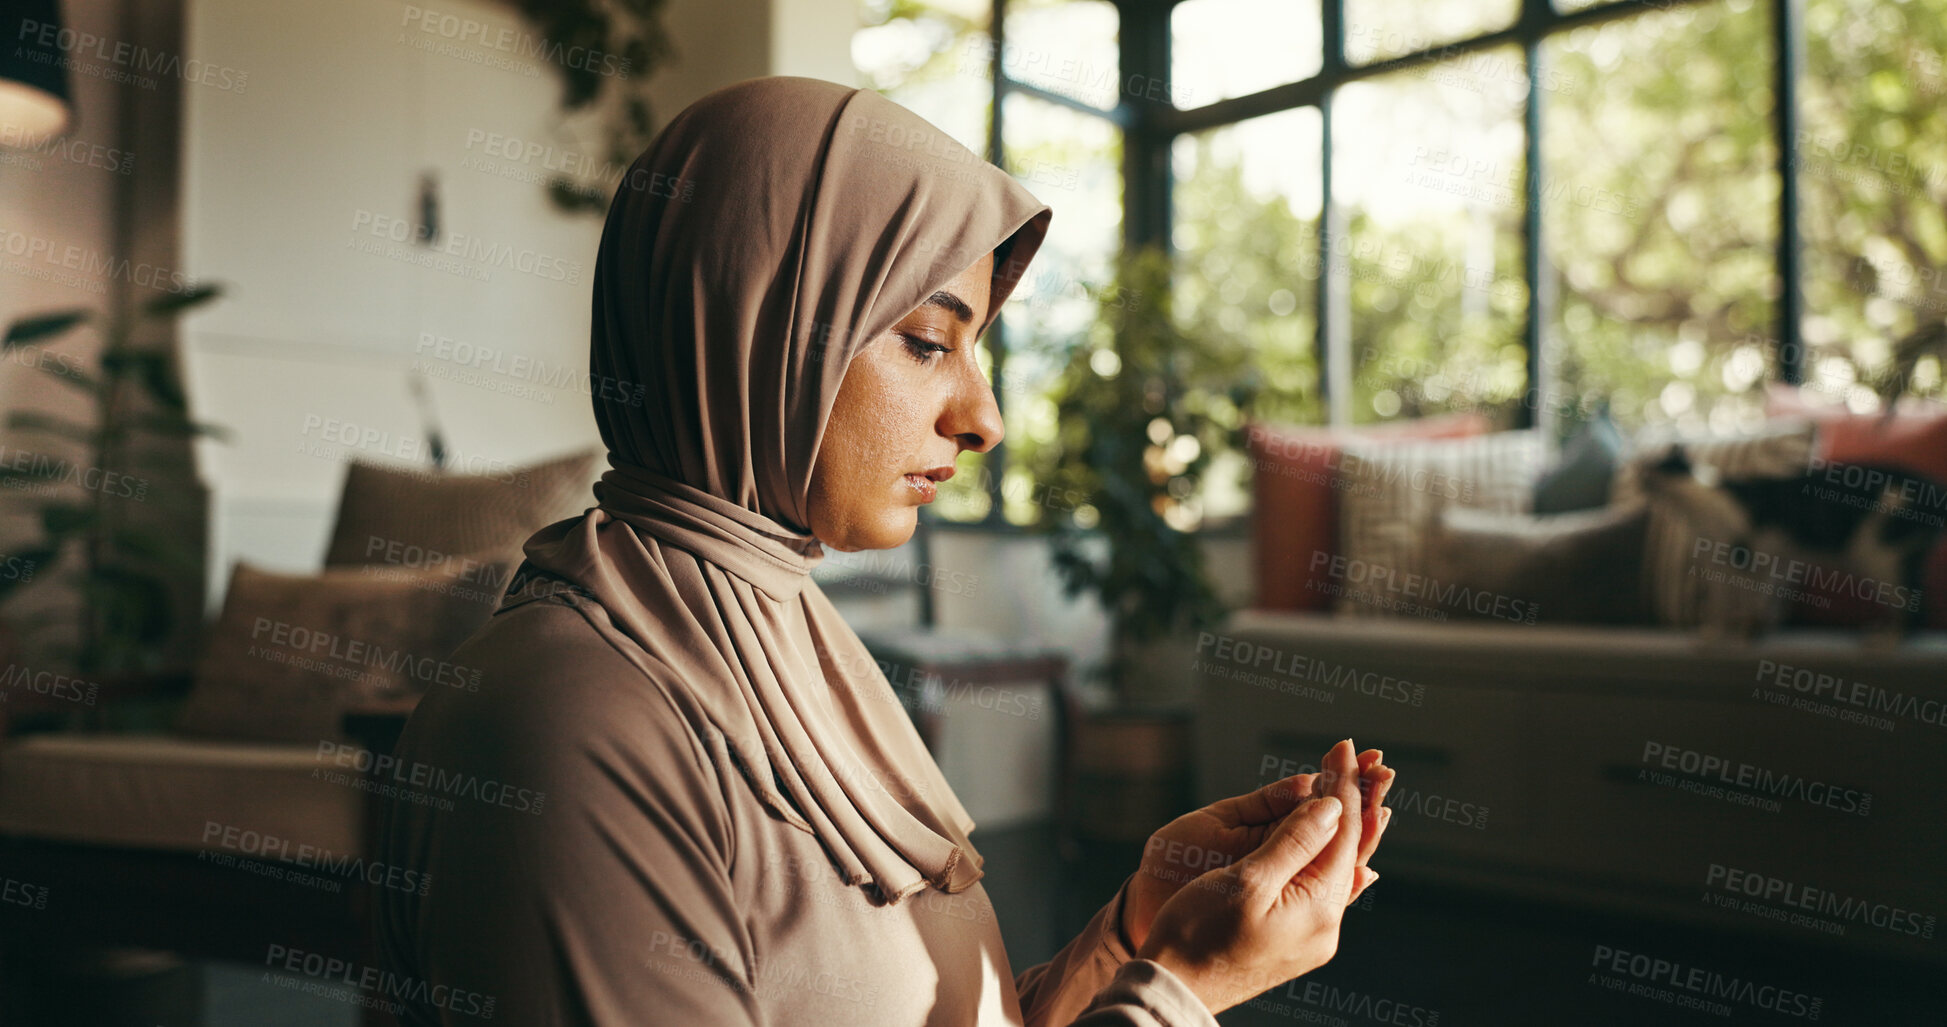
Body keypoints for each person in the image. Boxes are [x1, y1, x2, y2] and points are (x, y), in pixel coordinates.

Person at [373, 75, 1396, 1026]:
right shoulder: (572, 724)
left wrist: (1133, 935)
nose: (985, 417)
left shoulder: (785, 635)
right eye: (927, 341)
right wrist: (1178, 992)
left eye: (974, 347)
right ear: (753, 325)